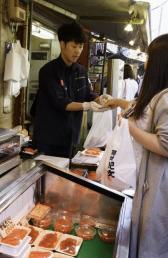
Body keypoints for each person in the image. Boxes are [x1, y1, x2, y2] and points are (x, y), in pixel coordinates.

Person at [104, 33, 168, 258]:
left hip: (162, 193)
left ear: (162, 59)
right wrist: (120, 106)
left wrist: (129, 128)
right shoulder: (161, 93)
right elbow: (145, 113)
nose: (145, 61)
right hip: (152, 189)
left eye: (149, 55)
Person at [32, 21, 108, 158]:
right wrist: (86, 106)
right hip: (48, 138)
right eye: (74, 46)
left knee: (62, 176)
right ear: (62, 44)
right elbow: (60, 102)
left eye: (81, 46)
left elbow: (87, 94)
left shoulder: (81, 71)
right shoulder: (48, 71)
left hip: (69, 136)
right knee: (45, 178)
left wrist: (100, 99)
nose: (78, 51)